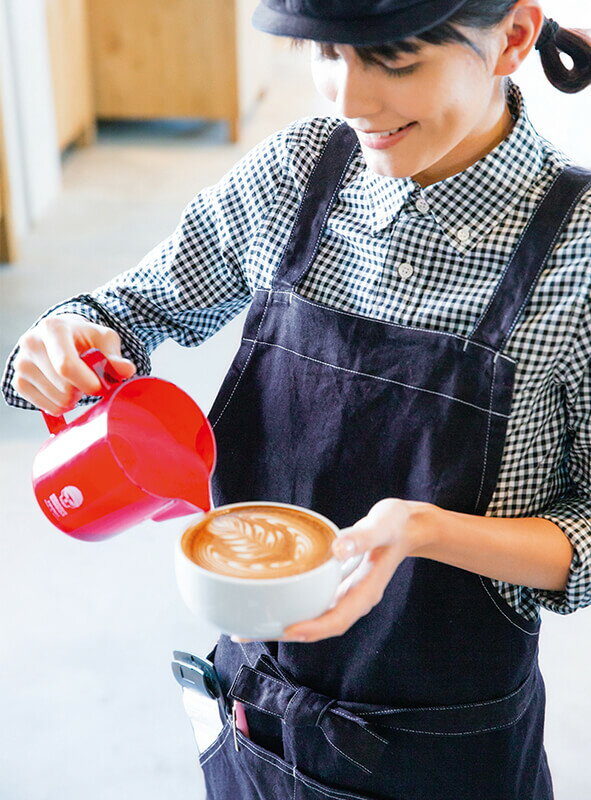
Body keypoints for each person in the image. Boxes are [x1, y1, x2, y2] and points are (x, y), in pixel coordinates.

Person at [3, 0, 591, 797]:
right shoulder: (295, 175)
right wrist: (69, 334)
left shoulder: (578, 251)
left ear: (513, 37)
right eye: (323, 53)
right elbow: (136, 307)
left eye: (394, 59)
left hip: (444, 752)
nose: (345, 98)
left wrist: (417, 530)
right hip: (253, 714)